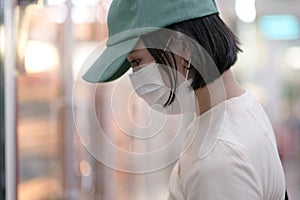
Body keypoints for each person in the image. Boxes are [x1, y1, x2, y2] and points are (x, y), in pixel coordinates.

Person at [83, 0, 287, 199]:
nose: (137, 80)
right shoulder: (241, 109)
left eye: (137, 61)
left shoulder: (219, 158)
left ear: (182, 47)